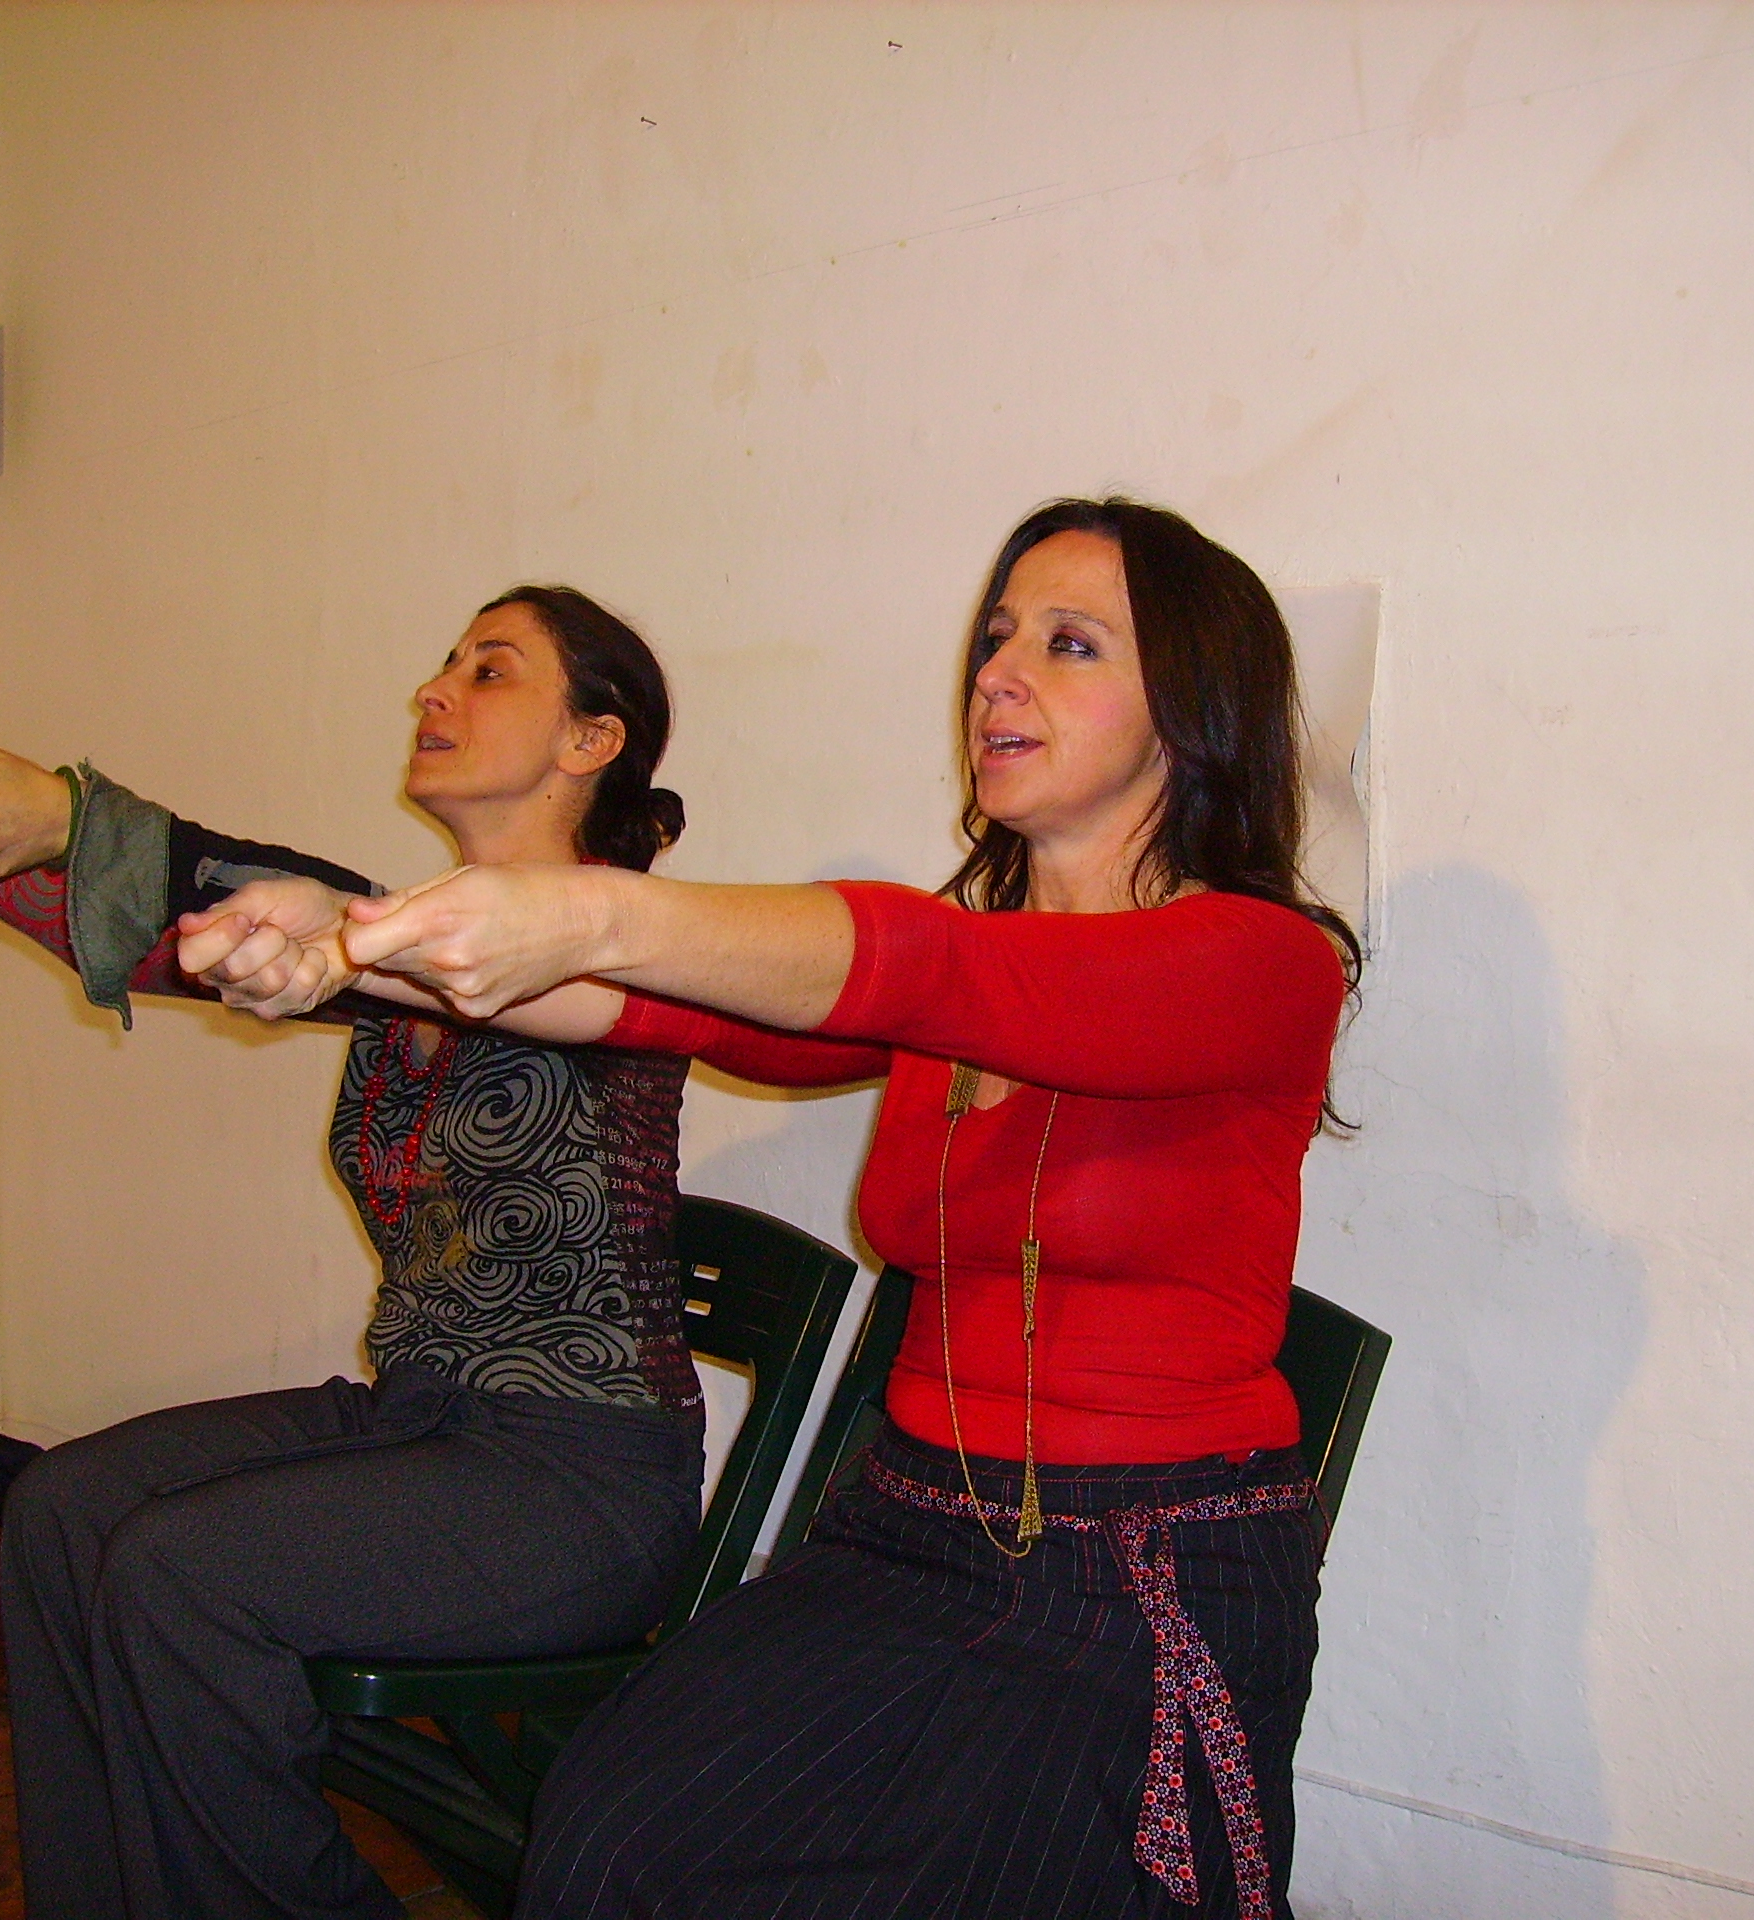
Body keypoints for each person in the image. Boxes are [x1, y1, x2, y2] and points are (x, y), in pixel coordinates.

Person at [183, 500, 1358, 1919]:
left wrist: (591, 908)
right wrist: (349, 948)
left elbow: (921, 966)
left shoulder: (1262, 962)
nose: (998, 674)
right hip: (909, 1534)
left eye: (1069, 645)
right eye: (997, 637)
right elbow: (658, 1008)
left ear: (1194, 708)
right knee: (612, 1844)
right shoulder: (960, 975)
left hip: (1139, 1583)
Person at [0, 587, 753, 1920]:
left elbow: (322, 912)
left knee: (183, 1577)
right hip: (420, 1423)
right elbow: (172, 938)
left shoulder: (625, 946)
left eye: (490, 670)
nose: (435, 689)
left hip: (577, 1482)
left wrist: (78, 814)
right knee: (61, 1510)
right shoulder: (399, 939)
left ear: (590, 740)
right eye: (446, 661)